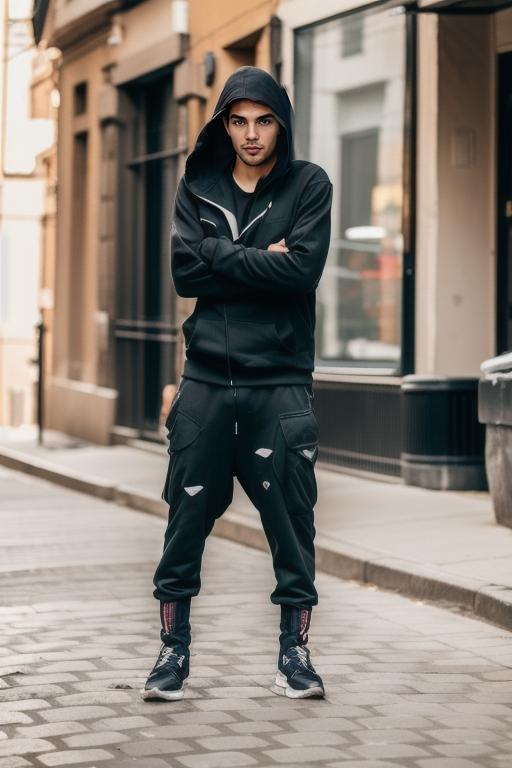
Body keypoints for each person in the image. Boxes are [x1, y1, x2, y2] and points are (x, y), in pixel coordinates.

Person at [142, 66, 332, 702]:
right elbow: (183, 273)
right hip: (206, 383)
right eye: (239, 120)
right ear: (223, 124)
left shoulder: (309, 186)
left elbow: (301, 273)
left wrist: (218, 254)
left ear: (282, 124)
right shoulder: (198, 186)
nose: (252, 134)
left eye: (265, 120)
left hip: (278, 385)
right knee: (185, 520)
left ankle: (295, 656)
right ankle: (172, 654)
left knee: (291, 524)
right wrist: (257, 260)